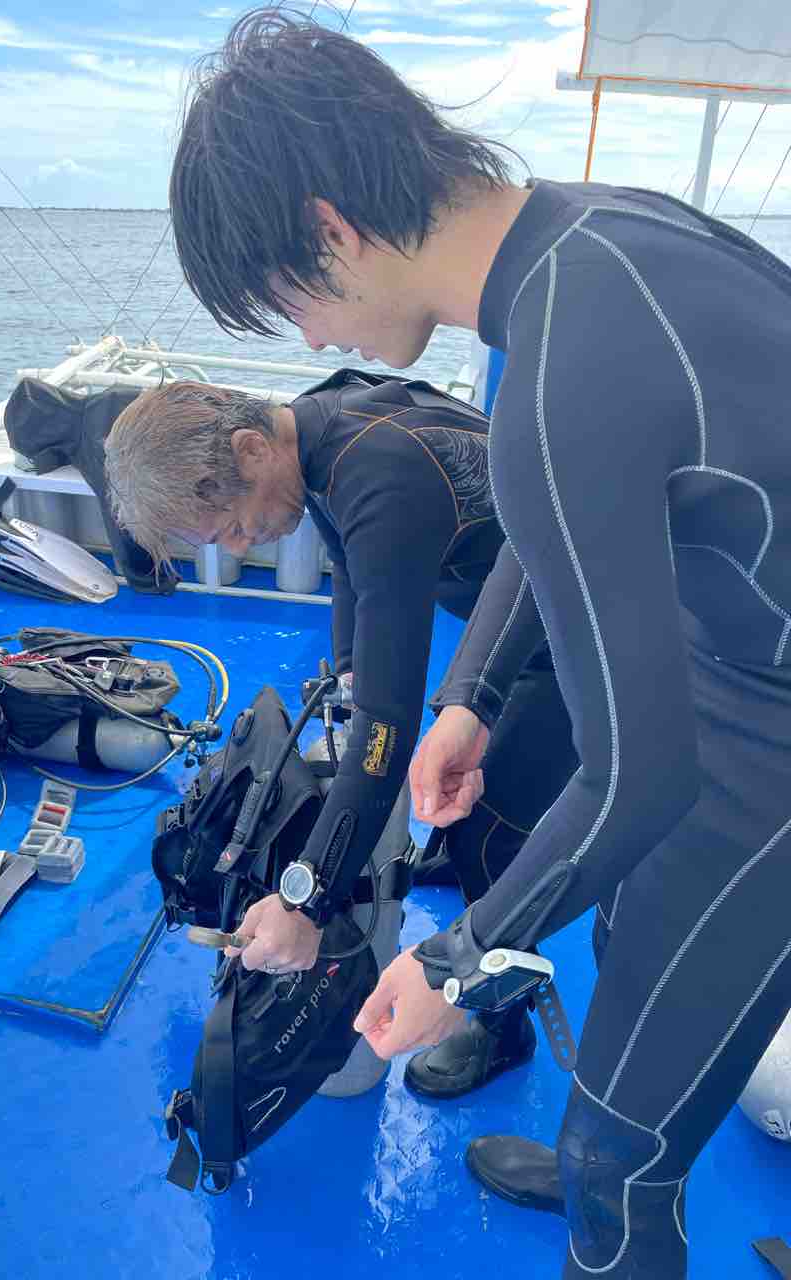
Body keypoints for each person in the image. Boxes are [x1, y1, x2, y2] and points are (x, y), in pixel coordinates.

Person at [167, 10, 791, 1278]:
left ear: (332, 230)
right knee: (620, 938)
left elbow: (639, 777)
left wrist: (453, 960)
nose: (312, 344)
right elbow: (560, 504)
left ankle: (614, 1169)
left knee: (624, 1156)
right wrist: (471, 695)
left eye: (291, 300)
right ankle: (608, 1132)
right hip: (733, 642)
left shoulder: (560, 368)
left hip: (770, 723)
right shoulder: (587, 239)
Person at [105, 371, 575, 1097]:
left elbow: (388, 734)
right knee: (454, 805)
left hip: (579, 640)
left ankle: (500, 1023)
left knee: (489, 835)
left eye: (234, 527)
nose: (242, 545)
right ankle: (458, 858)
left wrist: (307, 901)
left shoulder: (380, 477)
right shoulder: (316, 432)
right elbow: (351, 566)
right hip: (517, 621)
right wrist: (352, 669)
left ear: (250, 448)